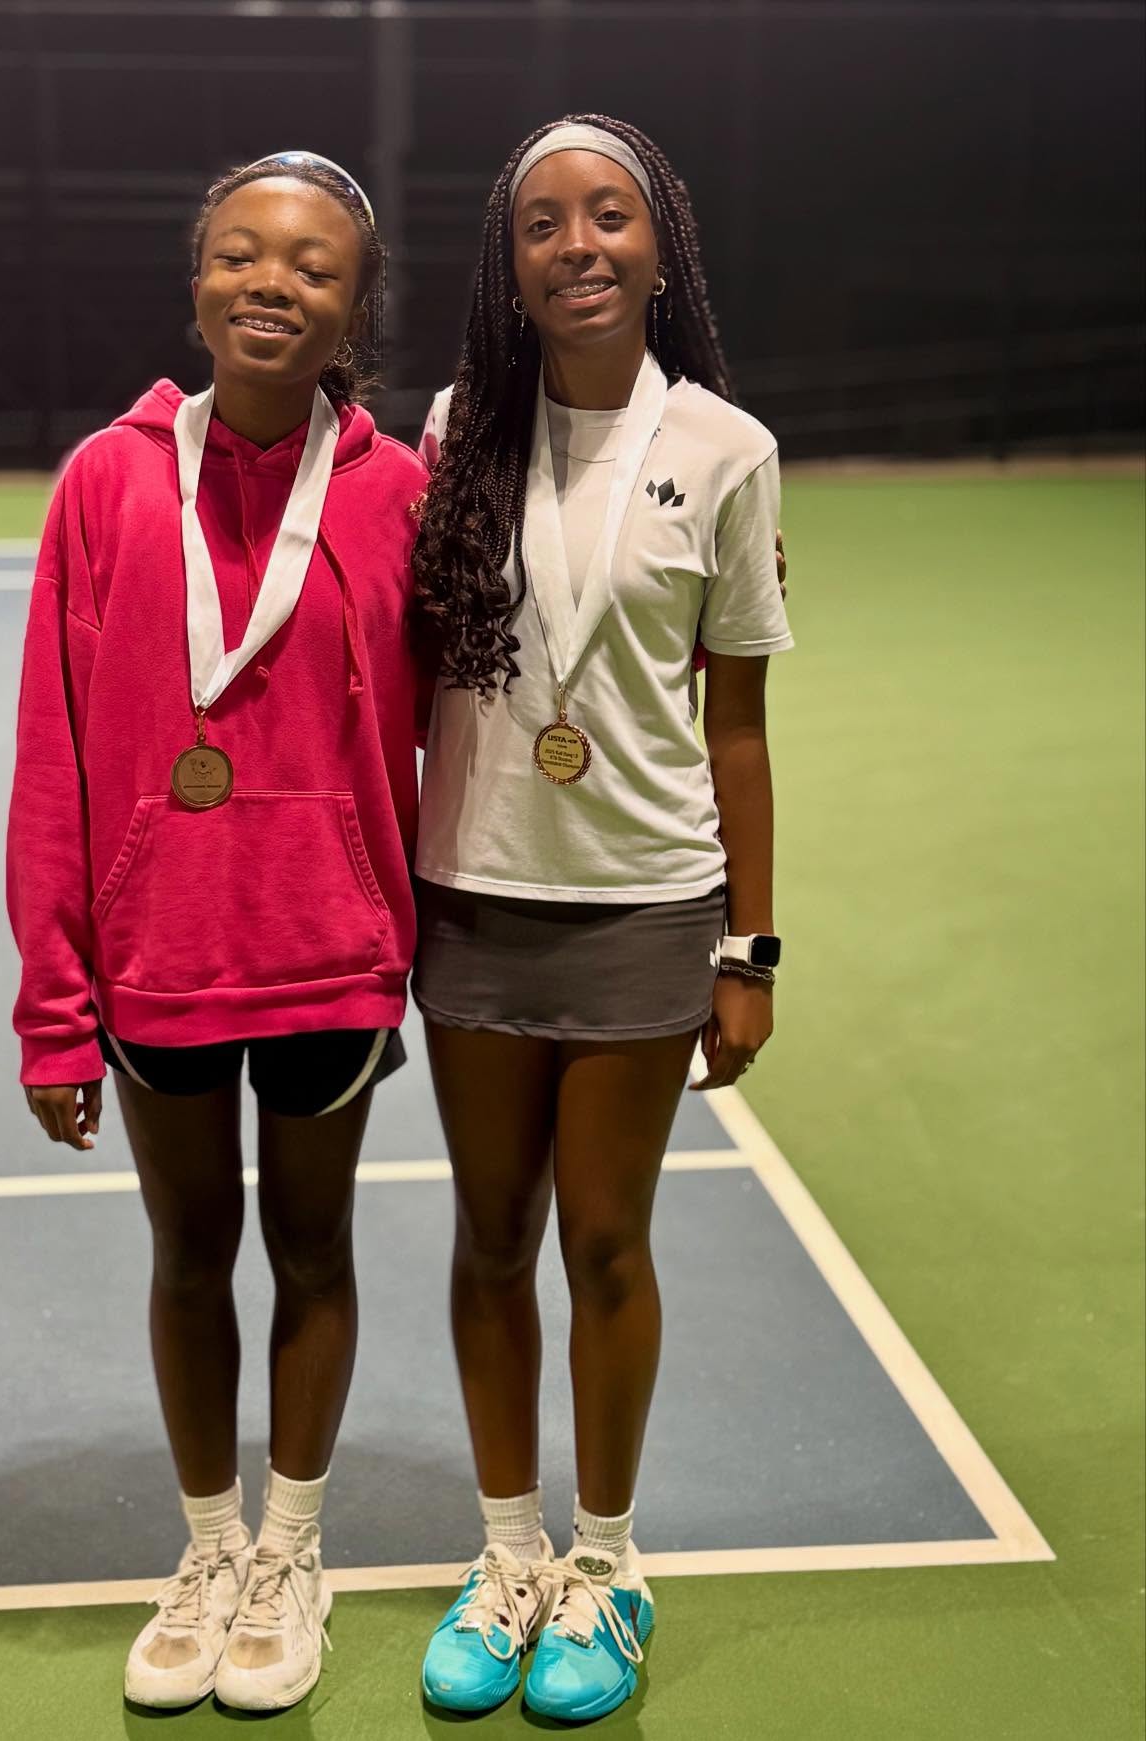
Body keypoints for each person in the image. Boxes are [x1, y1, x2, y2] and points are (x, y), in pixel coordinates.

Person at [6, 151, 426, 1713]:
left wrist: (701, 605)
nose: (273, 283)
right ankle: (204, 1546)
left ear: (354, 307)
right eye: (243, 255)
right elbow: (53, 751)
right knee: (190, 1252)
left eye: (312, 267)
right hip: (156, 957)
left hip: (329, 952)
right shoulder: (106, 481)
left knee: (311, 1249)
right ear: (197, 280)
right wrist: (56, 1000)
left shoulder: (399, 492)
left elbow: (511, 666)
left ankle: (291, 1546)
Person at [411, 115, 794, 1723]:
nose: (579, 246)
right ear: (508, 266)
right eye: (543, 225)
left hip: (646, 905)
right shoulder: (453, 429)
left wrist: (749, 949)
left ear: (661, 245)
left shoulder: (726, 449)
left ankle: (610, 1564)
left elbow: (741, 728)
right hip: (475, 899)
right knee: (490, 1239)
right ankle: (510, 1555)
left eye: (610, 217)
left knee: (607, 1239)